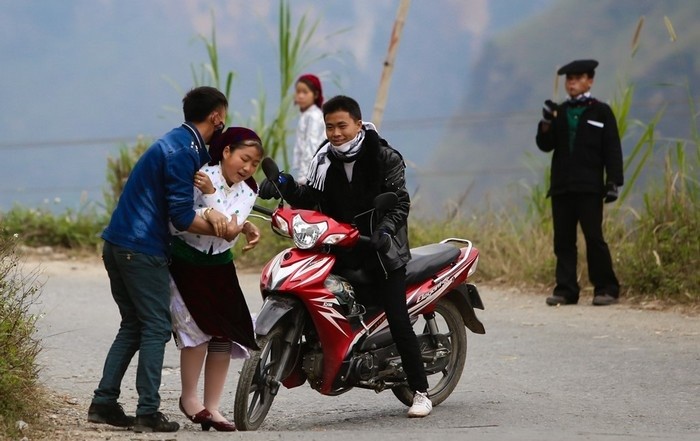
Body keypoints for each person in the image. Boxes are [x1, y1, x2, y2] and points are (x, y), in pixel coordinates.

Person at [259, 95, 433, 418]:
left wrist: (385, 231)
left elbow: (400, 203)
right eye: (329, 127)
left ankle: (421, 391)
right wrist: (282, 184)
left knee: (398, 319)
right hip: (340, 248)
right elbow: (309, 198)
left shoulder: (384, 156)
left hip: (381, 254)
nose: (336, 133)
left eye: (342, 126)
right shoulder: (324, 160)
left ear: (357, 123)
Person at [88, 86, 238, 433]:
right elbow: (183, 217)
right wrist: (224, 228)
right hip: (142, 247)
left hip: (118, 242)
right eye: (223, 116)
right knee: (156, 326)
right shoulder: (184, 152)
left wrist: (216, 215)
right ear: (217, 116)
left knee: (134, 325)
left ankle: (104, 402)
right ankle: (148, 411)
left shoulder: (175, 141)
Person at [169, 127, 263, 432]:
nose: (247, 168)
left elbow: (228, 227)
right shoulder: (200, 174)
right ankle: (190, 399)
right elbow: (182, 216)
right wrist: (210, 207)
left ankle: (212, 407)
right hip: (187, 260)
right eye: (243, 159)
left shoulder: (250, 190)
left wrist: (212, 204)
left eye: (254, 164)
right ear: (226, 152)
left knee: (224, 334)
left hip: (220, 265)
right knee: (197, 332)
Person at [536, 59, 623, 307]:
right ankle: (566, 290)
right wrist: (546, 123)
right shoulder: (559, 112)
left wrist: (613, 181)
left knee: (594, 238)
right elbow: (545, 145)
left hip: (589, 188)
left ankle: (606, 288)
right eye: (568, 79)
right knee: (563, 241)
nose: (571, 83)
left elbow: (612, 149)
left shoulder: (601, 111)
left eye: (577, 78)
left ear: (590, 80)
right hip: (562, 187)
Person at [292, 74, 325, 184]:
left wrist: (304, 178)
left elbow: (311, 147)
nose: (300, 96)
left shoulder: (314, 116)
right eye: (298, 92)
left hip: (313, 174)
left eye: (305, 92)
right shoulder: (306, 115)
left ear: (315, 94)